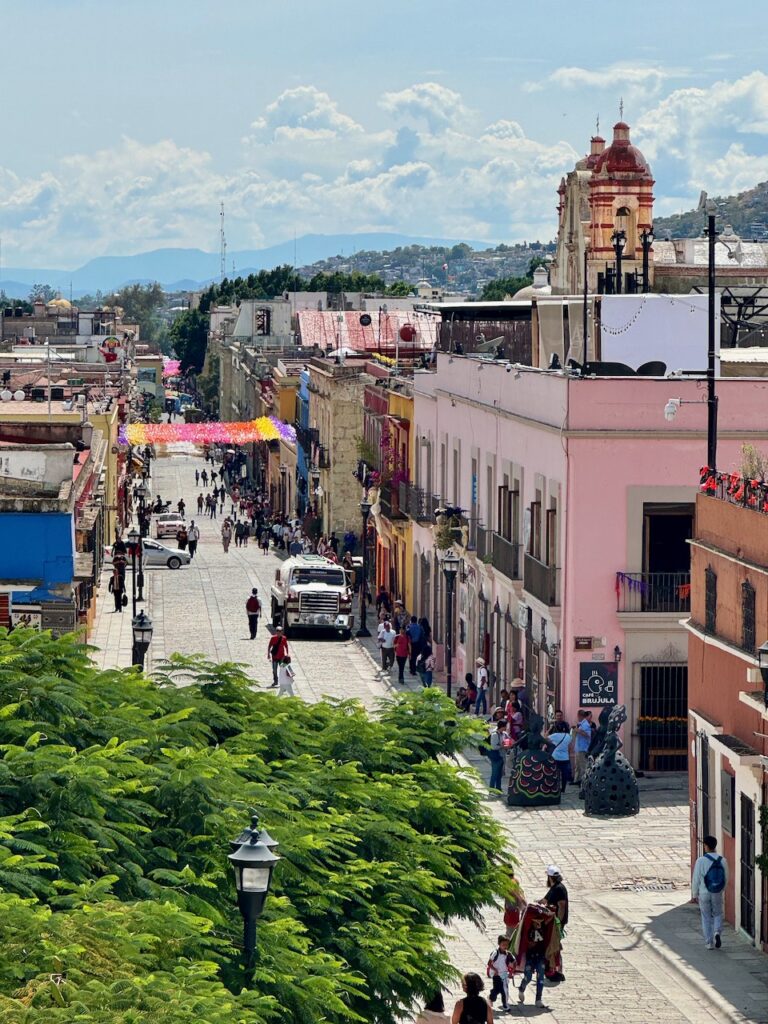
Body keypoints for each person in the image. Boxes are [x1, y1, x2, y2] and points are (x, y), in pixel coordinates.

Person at [692, 835, 728, 949]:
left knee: (706, 917)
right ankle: (717, 932)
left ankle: (709, 942)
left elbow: (696, 879)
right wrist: (722, 889)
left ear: (706, 846)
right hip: (717, 891)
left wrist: (694, 894)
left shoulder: (701, 861)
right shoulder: (723, 860)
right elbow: (726, 878)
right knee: (718, 913)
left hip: (704, 892)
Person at [542, 865, 568, 982]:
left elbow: (562, 906)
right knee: (552, 946)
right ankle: (553, 969)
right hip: (552, 923)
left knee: (555, 947)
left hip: (556, 924)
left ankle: (558, 971)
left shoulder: (559, 889)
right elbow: (545, 900)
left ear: (550, 877)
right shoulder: (554, 888)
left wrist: (558, 922)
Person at [486, 935, 513, 1014]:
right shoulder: (495, 953)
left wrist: (511, 972)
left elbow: (514, 961)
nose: (505, 946)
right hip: (496, 974)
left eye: (507, 945)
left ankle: (505, 1005)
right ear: (499, 944)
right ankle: (491, 998)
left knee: (505, 990)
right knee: (497, 989)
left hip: (504, 974)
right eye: (503, 944)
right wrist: (495, 970)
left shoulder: (508, 954)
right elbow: (489, 963)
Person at [548, 719, 572, 792]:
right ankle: (563, 788)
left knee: (554, 773)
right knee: (564, 774)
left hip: (555, 756)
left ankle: (555, 787)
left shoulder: (554, 735)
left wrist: (550, 728)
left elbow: (545, 737)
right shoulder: (568, 736)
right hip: (565, 757)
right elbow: (569, 747)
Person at [573, 709, 592, 784]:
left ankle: (584, 782)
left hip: (583, 748)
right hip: (578, 748)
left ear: (579, 715)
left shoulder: (586, 724)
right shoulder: (581, 723)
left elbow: (588, 735)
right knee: (577, 766)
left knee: (583, 766)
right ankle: (576, 780)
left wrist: (578, 730)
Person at [487, 720, 506, 792]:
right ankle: (491, 789)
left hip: (501, 756)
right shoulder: (495, 735)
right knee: (495, 773)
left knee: (499, 774)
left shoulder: (503, 734)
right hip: (496, 756)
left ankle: (498, 788)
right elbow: (493, 746)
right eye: (505, 726)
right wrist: (502, 746)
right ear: (502, 726)